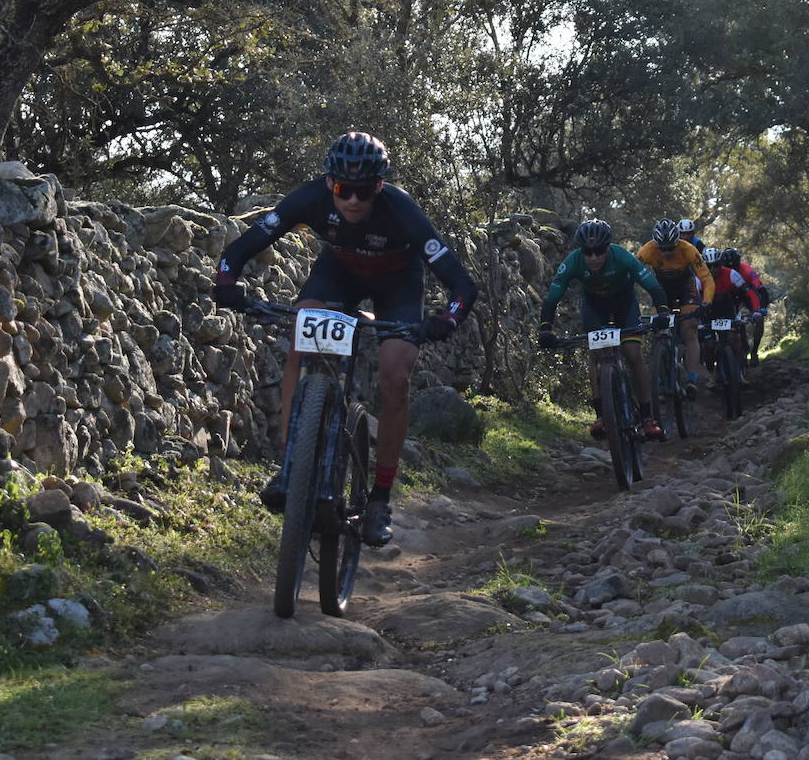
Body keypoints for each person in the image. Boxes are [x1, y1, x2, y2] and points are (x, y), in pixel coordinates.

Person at [213, 131, 478, 547]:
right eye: (342, 189)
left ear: (379, 187)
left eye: (362, 191)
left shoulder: (403, 212)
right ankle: (290, 466)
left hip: (398, 285)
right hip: (338, 273)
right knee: (302, 335)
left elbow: (462, 285)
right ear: (328, 184)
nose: (352, 200)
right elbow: (240, 248)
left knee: (396, 375)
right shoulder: (308, 200)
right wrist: (227, 282)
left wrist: (447, 318)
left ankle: (380, 498)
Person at [538, 219, 670, 441]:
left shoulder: (622, 256)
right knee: (596, 354)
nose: (593, 258)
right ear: (582, 251)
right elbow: (552, 298)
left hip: (624, 304)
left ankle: (648, 418)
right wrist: (545, 329)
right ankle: (601, 415)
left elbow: (653, 286)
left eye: (599, 251)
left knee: (632, 354)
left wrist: (664, 313)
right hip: (594, 306)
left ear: (608, 247)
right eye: (588, 252)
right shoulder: (573, 262)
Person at [635, 218, 714, 399]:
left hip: (686, 290)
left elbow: (707, 279)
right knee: (659, 330)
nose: (667, 252)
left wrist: (706, 302)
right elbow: (630, 275)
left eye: (671, 247)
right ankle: (662, 377)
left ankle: (691, 379)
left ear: (677, 242)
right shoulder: (647, 250)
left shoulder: (688, 249)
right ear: (656, 244)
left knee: (689, 330)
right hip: (662, 292)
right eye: (663, 248)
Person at [703, 247, 763, 379]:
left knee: (733, 339)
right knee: (709, 345)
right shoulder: (699, 278)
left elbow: (749, 292)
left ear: (721, 264)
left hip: (727, 309)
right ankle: (711, 375)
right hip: (708, 312)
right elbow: (693, 299)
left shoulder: (731, 274)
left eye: (716, 265)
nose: (713, 269)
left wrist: (756, 310)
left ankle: (741, 369)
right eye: (709, 266)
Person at [721, 248, 770, 364]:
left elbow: (761, 290)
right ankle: (738, 347)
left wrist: (762, 308)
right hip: (729, 296)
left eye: (735, 267)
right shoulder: (720, 272)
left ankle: (754, 351)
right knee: (732, 320)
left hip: (746, 293)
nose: (732, 271)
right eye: (728, 268)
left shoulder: (747, 270)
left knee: (759, 320)